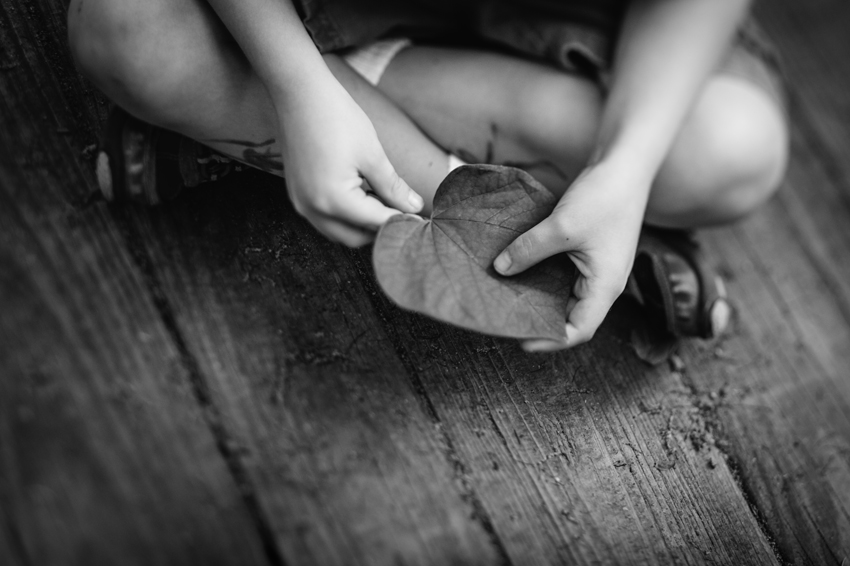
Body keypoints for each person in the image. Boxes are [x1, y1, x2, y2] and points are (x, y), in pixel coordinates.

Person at [66, 0, 789, 351]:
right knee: (129, 29)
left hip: (550, 23)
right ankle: (539, 213)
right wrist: (298, 85)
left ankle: (235, 128)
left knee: (730, 150)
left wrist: (626, 167)